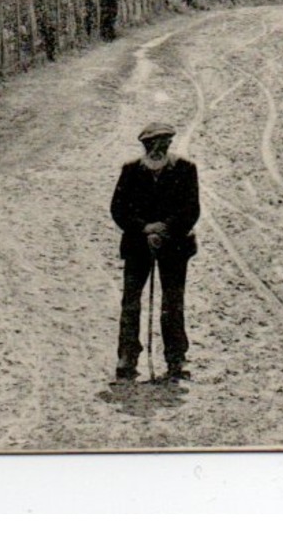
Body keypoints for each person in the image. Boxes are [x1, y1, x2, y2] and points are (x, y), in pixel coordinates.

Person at [111, 121, 200, 381]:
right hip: (137, 246)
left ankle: (176, 358)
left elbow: (191, 210)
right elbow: (119, 208)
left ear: (170, 145)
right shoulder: (130, 171)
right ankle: (127, 356)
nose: (158, 150)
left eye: (164, 144)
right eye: (152, 145)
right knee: (130, 302)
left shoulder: (185, 169)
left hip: (175, 246)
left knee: (173, 302)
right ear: (145, 146)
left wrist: (164, 229)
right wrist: (145, 228)